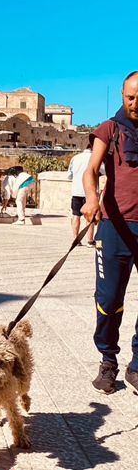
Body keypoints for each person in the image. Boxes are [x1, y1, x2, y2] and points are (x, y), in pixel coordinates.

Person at [82, 71, 138, 395]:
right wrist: (91, 199)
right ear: (121, 94)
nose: (134, 104)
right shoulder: (109, 128)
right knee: (108, 299)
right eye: (130, 97)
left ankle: (137, 365)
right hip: (115, 226)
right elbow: (91, 169)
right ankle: (108, 360)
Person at [67, 145, 103, 246]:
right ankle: (90, 240)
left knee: (75, 215)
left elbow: (69, 175)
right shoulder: (95, 157)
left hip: (76, 190)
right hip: (89, 192)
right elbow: (104, 171)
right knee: (90, 216)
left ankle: (76, 239)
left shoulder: (75, 158)